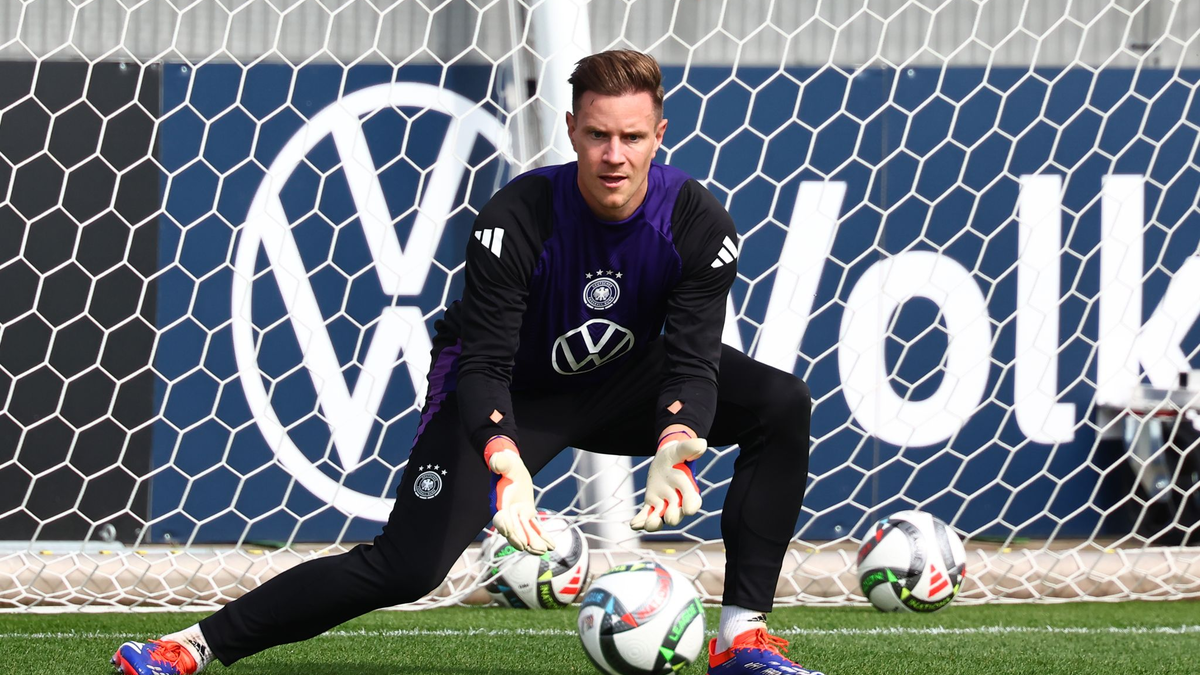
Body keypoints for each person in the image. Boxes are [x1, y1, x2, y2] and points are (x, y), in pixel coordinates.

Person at [112, 49, 818, 675]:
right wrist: (504, 457)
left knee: (780, 404)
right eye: (598, 134)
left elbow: (693, 355)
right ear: (572, 130)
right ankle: (191, 645)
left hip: (628, 375)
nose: (614, 155)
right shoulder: (515, 216)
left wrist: (676, 438)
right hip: (509, 390)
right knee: (406, 567)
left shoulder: (700, 222)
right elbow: (482, 358)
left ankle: (741, 639)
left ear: (659, 137)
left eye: (632, 137)